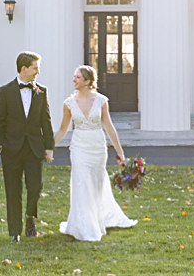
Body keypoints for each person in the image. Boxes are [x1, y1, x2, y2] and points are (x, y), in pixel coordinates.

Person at [53, 64, 138, 242]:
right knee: (81, 183)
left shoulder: (101, 101)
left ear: (88, 81)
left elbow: (109, 127)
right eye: (74, 76)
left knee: (96, 185)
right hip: (79, 147)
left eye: (77, 77)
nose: (73, 79)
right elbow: (62, 130)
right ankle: (85, 226)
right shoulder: (68, 104)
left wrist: (120, 154)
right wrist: (47, 146)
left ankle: (98, 218)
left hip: (97, 147)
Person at [0, 51, 54, 242]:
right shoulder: (5, 91)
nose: (38, 71)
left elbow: (46, 120)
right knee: (13, 190)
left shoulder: (41, 91)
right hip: (11, 150)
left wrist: (49, 147)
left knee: (35, 187)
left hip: (34, 148)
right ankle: (14, 232)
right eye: (35, 67)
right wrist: (1, 146)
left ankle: (30, 218)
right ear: (24, 68)